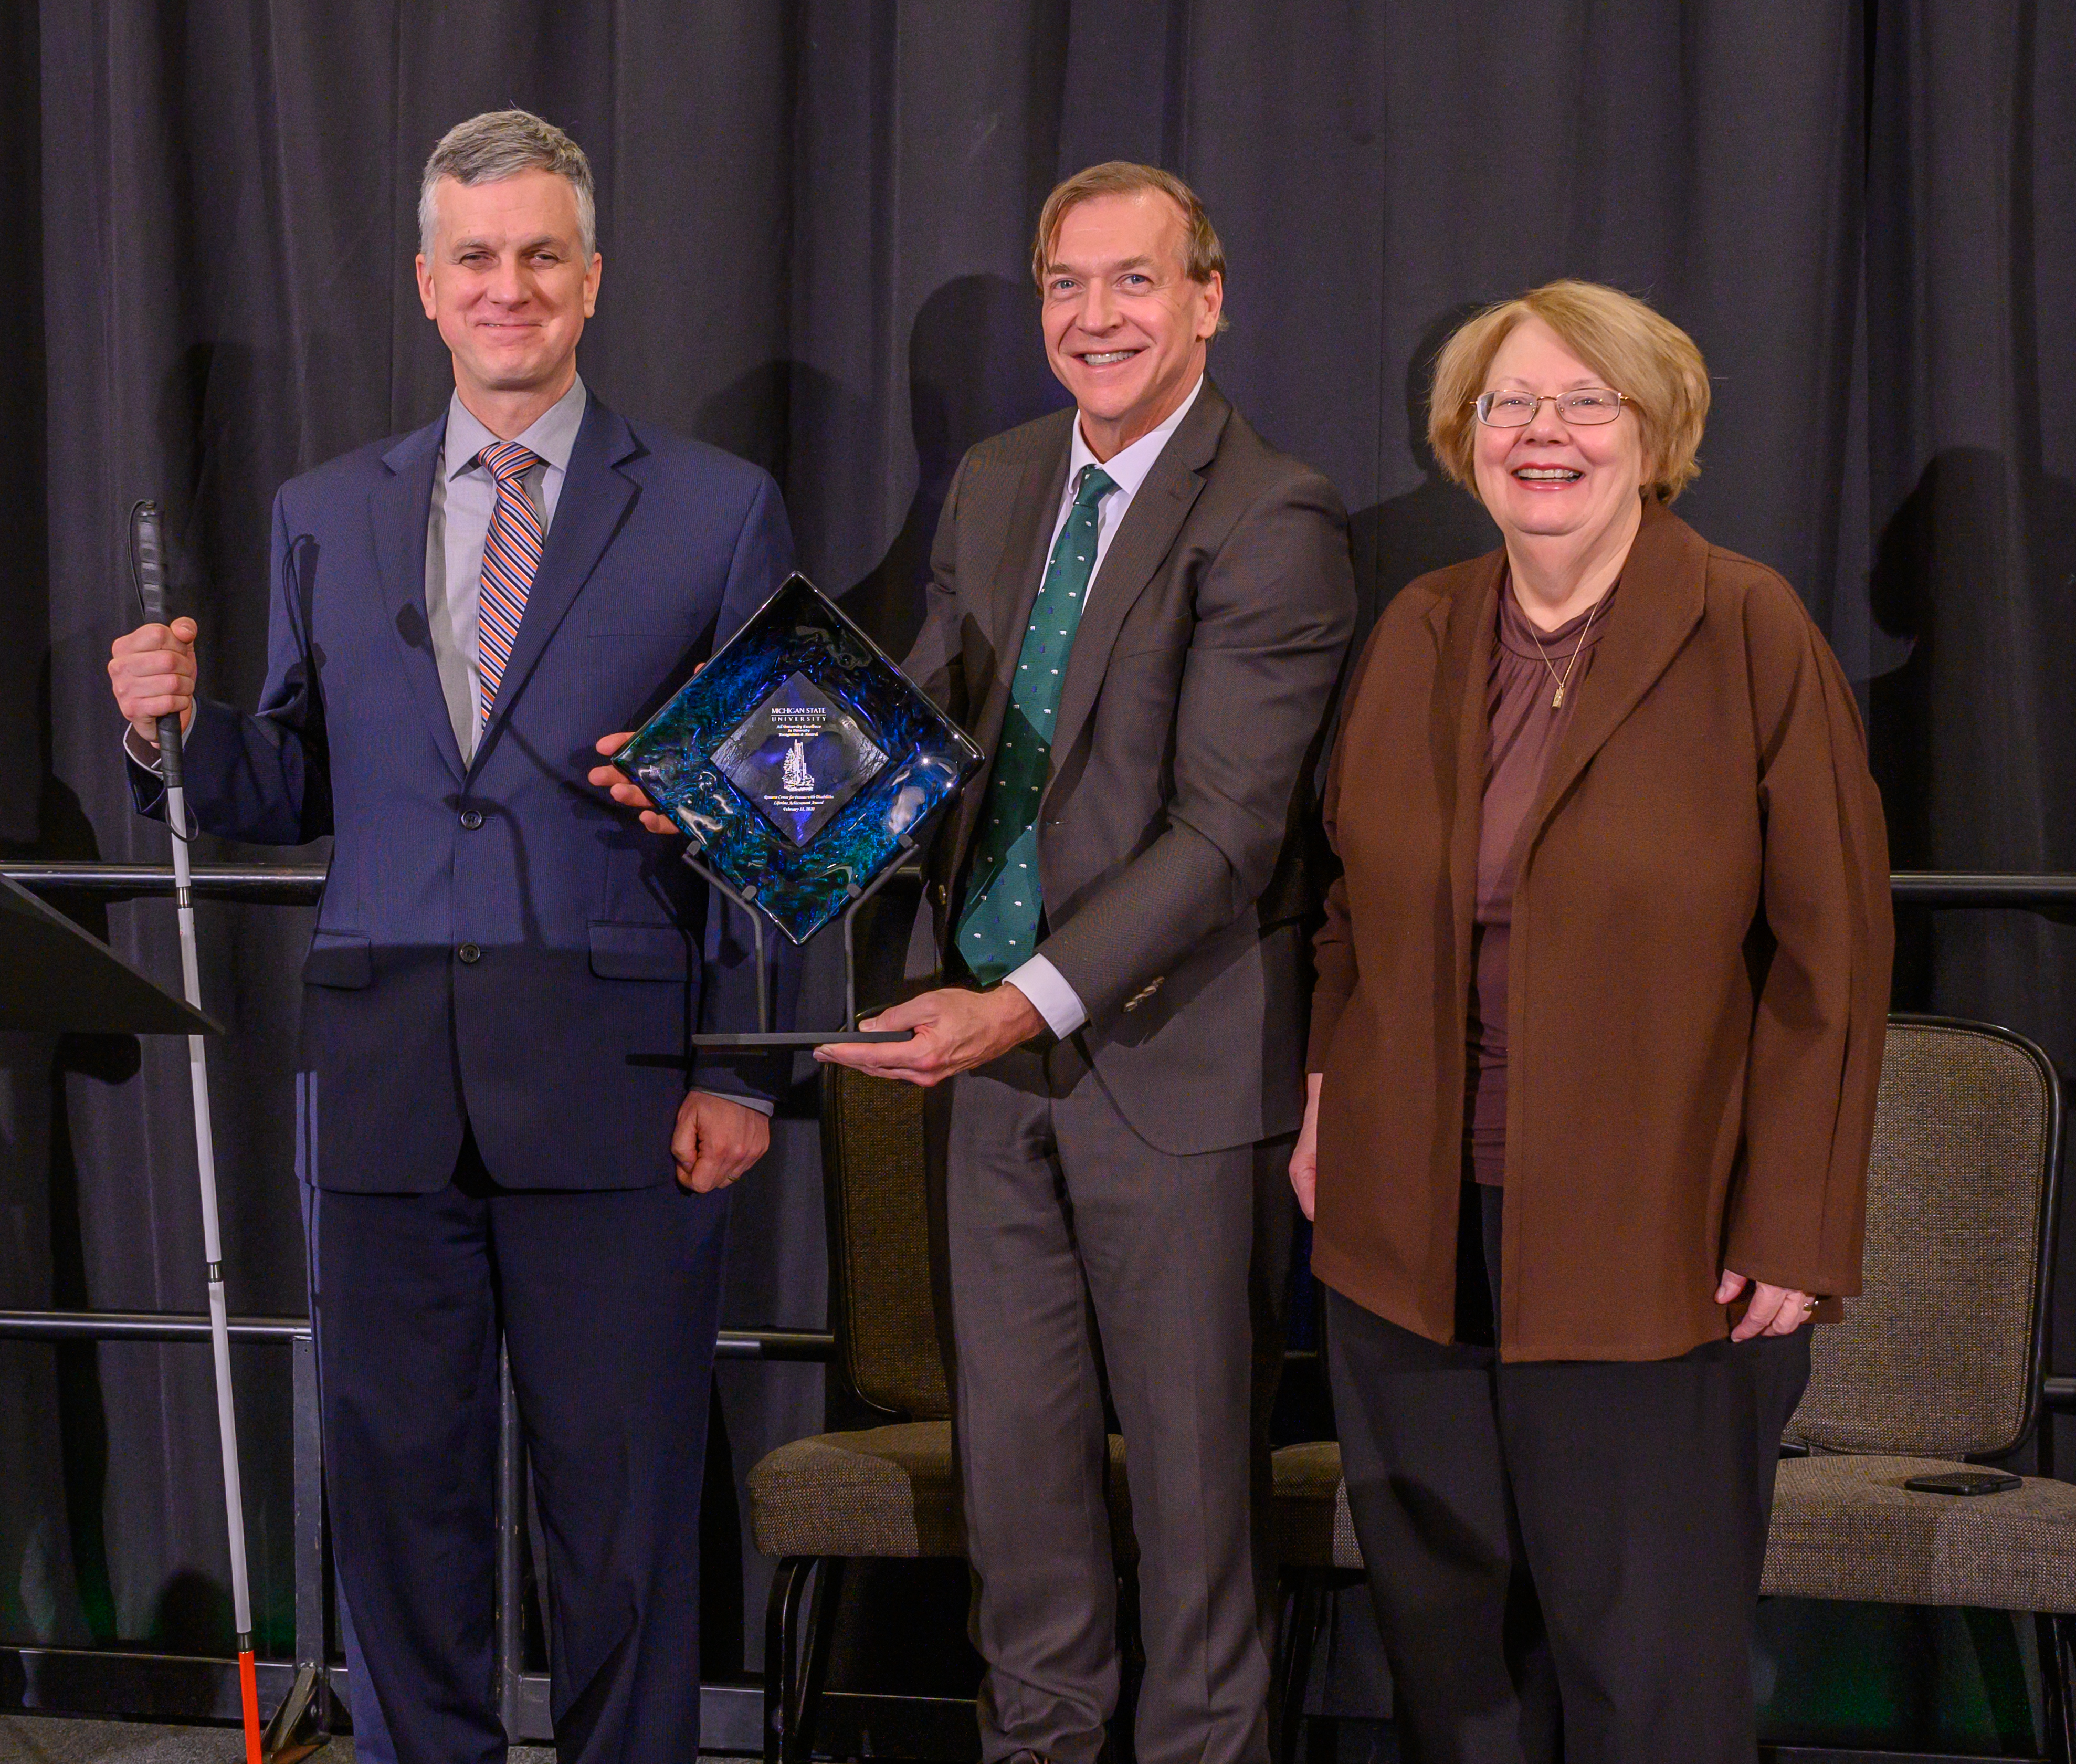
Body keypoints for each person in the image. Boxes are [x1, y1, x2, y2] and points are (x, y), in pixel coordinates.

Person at [628, 160, 1355, 1764]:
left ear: (1208, 299)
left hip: (1166, 1073)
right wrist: (710, 773)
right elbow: (918, 722)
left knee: (1194, 1511)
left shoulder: (1274, 514)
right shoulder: (1000, 477)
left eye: (1135, 281)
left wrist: (1013, 1002)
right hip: (988, 1065)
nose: (1096, 317)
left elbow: (1230, 839)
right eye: (1066, 286)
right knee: (1017, 1501)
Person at [107, 109, 792, 1764]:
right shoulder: (325, 511)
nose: (510, 287)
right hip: (387, 1075)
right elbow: (286, 781)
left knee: (622, 1517)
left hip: (623, 1079)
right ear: (426, 286)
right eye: (476, 259)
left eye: (540, 255)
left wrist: (752, 1072)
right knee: (400, 1508)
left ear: (592, 279)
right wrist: (173, 734)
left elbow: (785, 809)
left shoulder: (714, 509)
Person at [1291, 279, 1891, 1764]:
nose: (1541, 433)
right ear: (1464, 436)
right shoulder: (1423, 627)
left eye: (1582, 402)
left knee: (1648, 1675)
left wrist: (1798, 1226)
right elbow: (1346, 910)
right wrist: (1321, 1104)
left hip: (1660, 1250)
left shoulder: (1751, 626)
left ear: (1654, 431)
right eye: (1509, 404)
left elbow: (1837, 955)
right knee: (1455, 1666)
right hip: (1408, 1239)